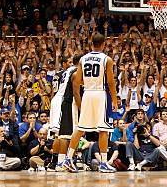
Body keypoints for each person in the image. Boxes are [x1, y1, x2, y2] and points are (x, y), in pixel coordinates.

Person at [63, 33, 118, 173]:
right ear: (104, 44)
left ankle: (68, 159)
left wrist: (88, 81)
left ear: (91, 43)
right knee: (103, 129)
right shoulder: (107, 59)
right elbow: (111, 82)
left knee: (81, 128)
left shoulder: (83, 59)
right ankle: (104, 163)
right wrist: (115, 100)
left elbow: (77, 81)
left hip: (87, 93)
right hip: (100, 94)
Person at [48, 55, 80, 171]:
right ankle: (59, 162)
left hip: (57, 99)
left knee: (59, 134)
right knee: (62, 135)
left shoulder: (63, 72)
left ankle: (56, 162)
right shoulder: (75, 71)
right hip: (63, 100)